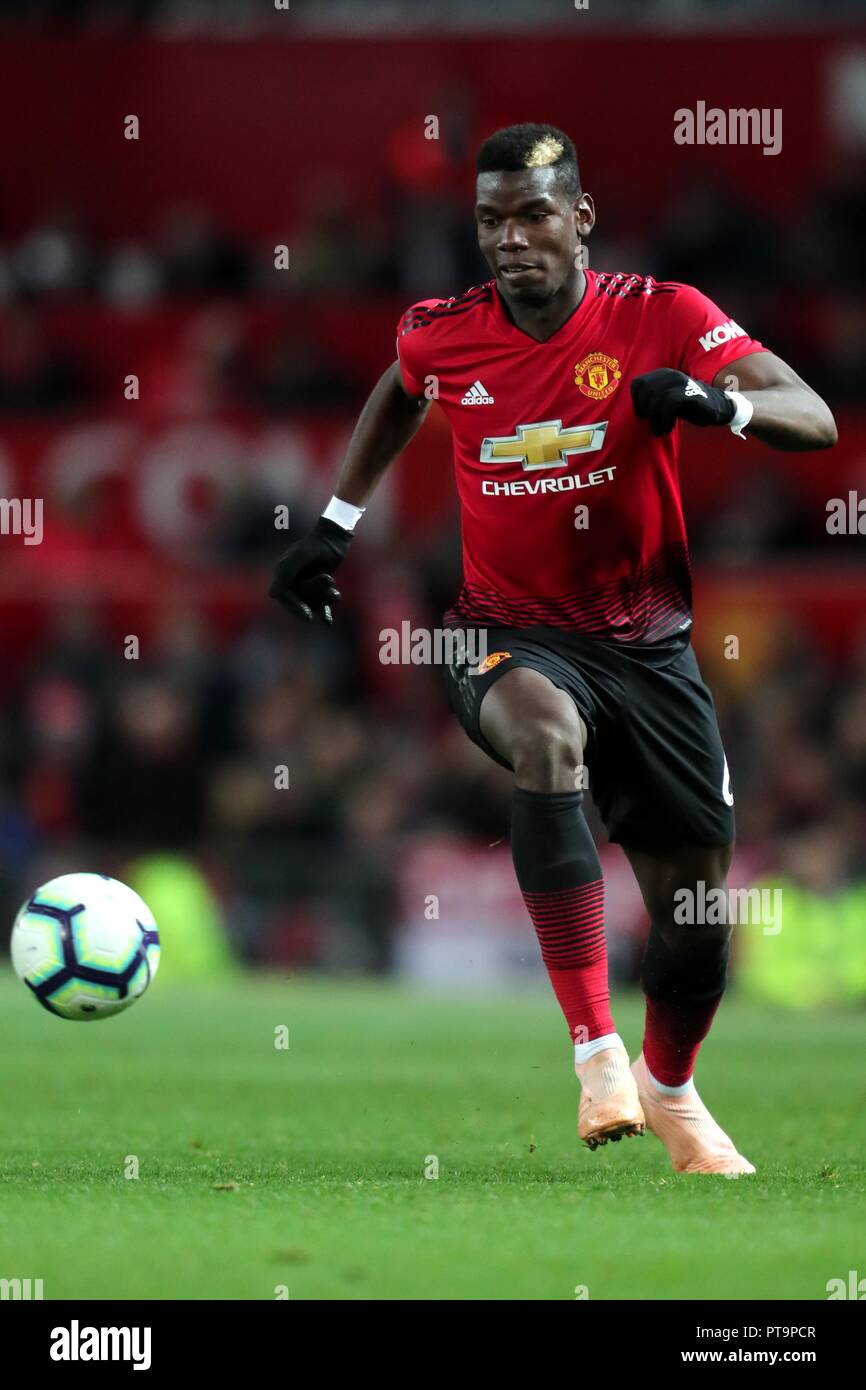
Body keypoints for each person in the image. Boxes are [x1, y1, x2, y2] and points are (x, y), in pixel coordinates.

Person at [269, 124, 837, 1175]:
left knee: (694, 917)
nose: (508, 239)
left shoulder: (658, 315)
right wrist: (337, 524)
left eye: (531, 216)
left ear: (577, 219)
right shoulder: (445, 333)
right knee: (544, 743)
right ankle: (594, 1052)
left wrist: (719, 405)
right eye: (488, 220)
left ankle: (669, 1090)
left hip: (648, 647)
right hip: (500, 628)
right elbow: (401, 386)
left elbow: (813, 417)